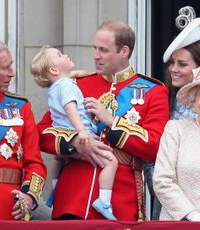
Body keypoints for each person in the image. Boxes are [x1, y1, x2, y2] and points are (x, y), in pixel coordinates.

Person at [37, 20, 169, 221]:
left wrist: (113, 122)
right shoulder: (77, 85)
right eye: (95, 48)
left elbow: (156, 147)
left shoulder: (153, 92)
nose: (95, 56)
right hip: (72, 197)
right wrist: (74, 143)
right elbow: (41, 132)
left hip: (119, 201)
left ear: (124, 51)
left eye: (104, 50)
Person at [30, 46, 118, 220]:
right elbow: (69, 110)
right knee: (111, 161)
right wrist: (80, 134)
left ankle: (54, 191)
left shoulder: (56, 85)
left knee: (58, 158)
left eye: (103, 49)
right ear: (54, 69)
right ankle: (104, 201)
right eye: (60, 55)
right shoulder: (68, 85)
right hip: (80, 134)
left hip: (63, 132)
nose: (96, 54)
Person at [0, 38, 47, 220]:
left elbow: (34, 163)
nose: (12, 73)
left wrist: (29, 196)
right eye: (5, 68)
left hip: (10, 211)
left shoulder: (21, 106)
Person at [144, 8, 199, 220]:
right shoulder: (160, 97)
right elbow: (153, 162)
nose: (173, 69)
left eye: (182, 64)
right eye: (172, 63)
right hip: (169, 206)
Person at [153, 65, 200, 221]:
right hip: (179, 223)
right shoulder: (176, 129)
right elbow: (162, 180)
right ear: (194, 99)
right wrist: (192, 216)